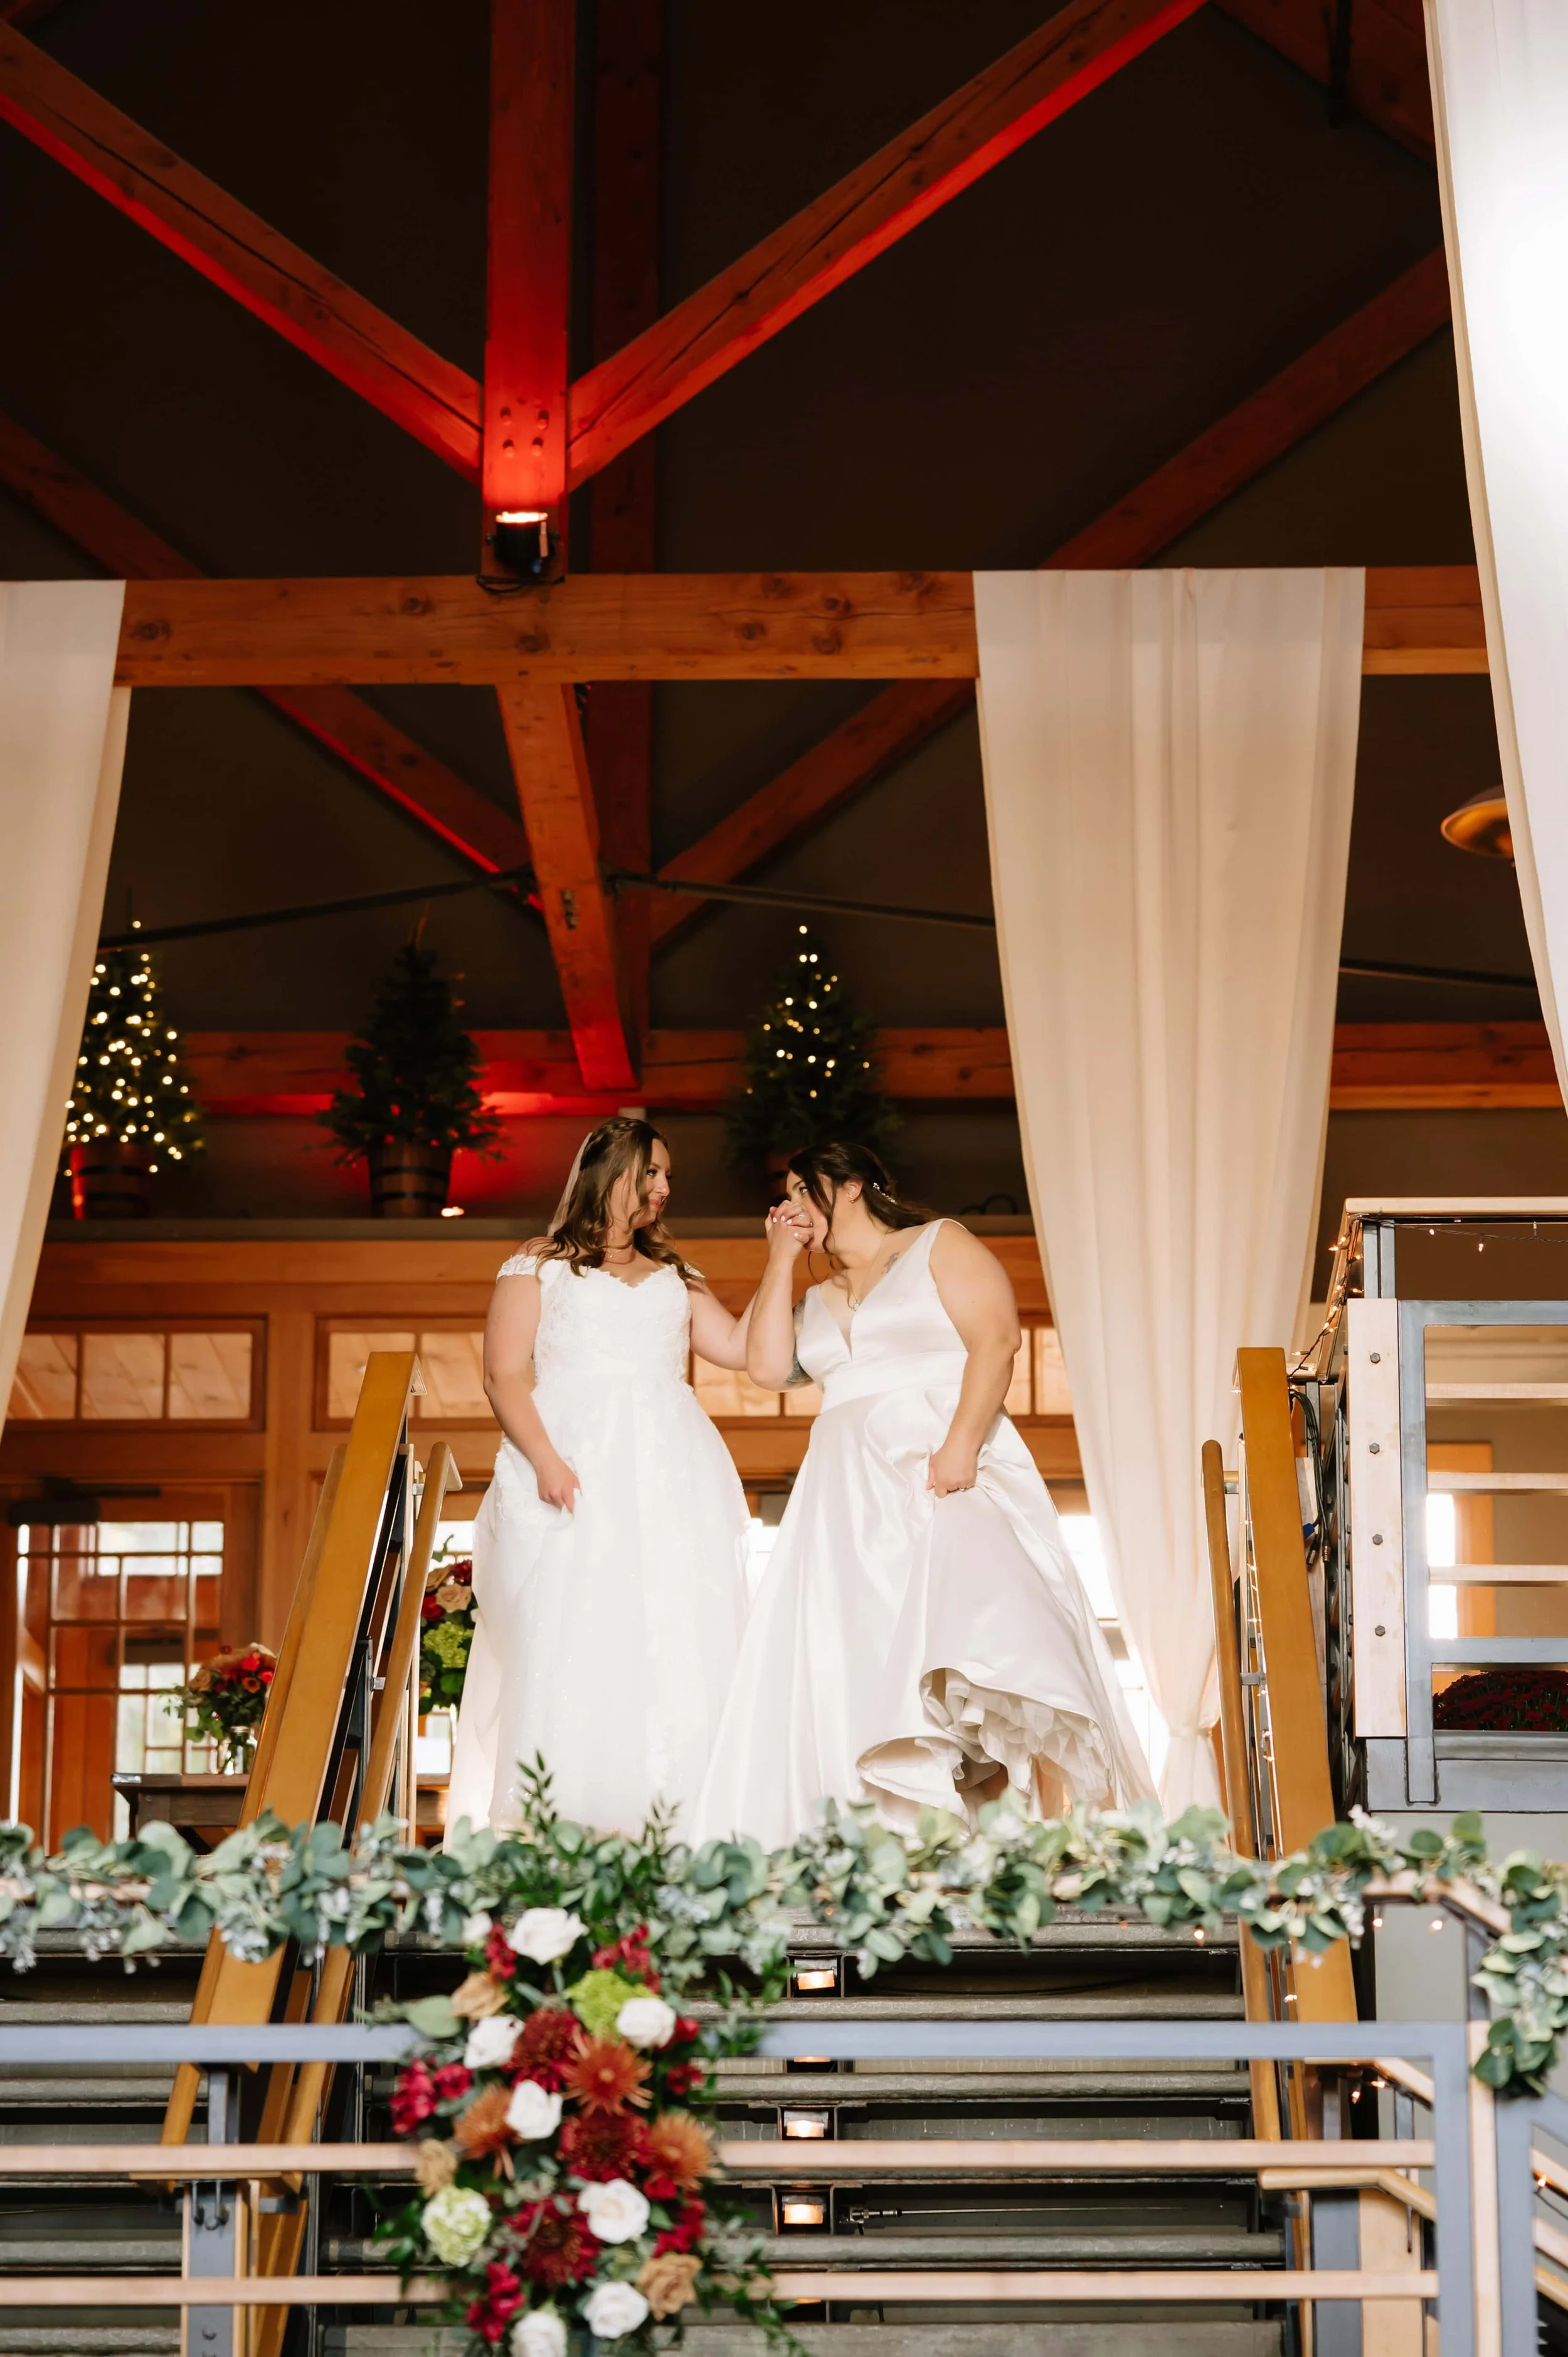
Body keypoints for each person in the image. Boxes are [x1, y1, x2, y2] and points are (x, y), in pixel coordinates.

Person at [691, 1142, 1153, 1848]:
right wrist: (781, 1259)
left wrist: (961, 1443)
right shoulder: (814, 1295)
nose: (787, 1206)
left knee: (968, 1651)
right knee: (865, 1659)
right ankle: (891, 1843)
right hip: (844, 1498)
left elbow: (996, 1339)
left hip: (936, 1466)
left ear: (847, 1187)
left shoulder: (938, 1242)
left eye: (799, 1189)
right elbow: (763, 1366)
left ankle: (995, 1848)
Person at [447, 1118, 754, 1838]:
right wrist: (547, 1458)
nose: (664, 1188)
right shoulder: (539, 1263)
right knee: (572, 1622)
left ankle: (675, 1807)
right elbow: (503, 1371)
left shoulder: (676, 1273)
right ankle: (565, 1811)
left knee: (671, 1621)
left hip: (668, 1462)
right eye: (652, 1173)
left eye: (668, 1176)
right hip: (573, 1456)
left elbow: (738, 1347)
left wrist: (780, 1259)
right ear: (611, 1172)